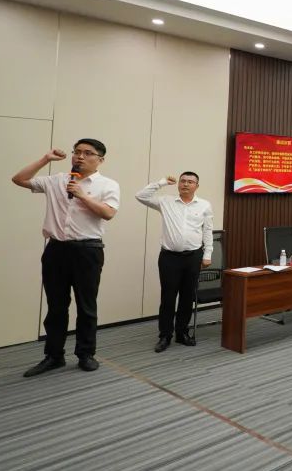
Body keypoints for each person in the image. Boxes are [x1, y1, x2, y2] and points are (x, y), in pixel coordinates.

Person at [11, 139, 120, 376]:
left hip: (88, 251)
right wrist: (45, 159)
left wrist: (82, 196)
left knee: (86, 306)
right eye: (77, 152)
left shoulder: (108, 184)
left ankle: (86, 354)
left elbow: (108, 213)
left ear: (100, 159)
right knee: (56, 306)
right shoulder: (57, 180)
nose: (80, 156)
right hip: (56, 250)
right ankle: (54, 356)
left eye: (88, 153)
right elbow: (19, 179)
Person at [136, 171, 214, 353]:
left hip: (193, 257)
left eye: (190, 182)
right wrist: (162, 182)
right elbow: (141, 196)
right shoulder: (166, 201)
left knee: (187, 297)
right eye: (183, 181)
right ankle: (165, 335)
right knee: (168, 297)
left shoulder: (204, 205)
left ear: (196, 186)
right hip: (169, 258)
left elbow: (207, 231)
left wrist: (208, 254)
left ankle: (182, 332)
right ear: (178, 184)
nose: (186, 184)